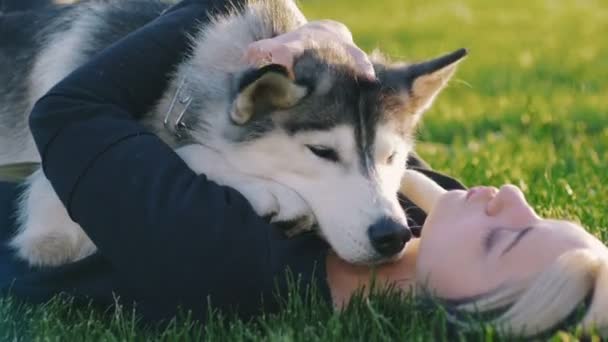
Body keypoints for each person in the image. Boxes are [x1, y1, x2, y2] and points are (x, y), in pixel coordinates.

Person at [0, 0, 465, 323]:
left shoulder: (239, 258)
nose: (506, 200)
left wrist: (294, 24)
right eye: (325, 153)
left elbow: (48, 239)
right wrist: (310, 32)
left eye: (510, 239)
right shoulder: (435, 215)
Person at [326, 170, 608, 338]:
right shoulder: (437, 211)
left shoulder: (285, 272)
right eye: (541, 218)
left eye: (499, 239)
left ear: (460, 317)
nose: (512, 193)